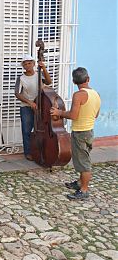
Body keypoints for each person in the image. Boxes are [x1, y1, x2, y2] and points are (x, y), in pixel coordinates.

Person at [50, 67, 101, 200]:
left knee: (83, 163)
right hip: (89, 130)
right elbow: (96, 115)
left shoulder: (78, 95)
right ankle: (79, 183)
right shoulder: (96, 94)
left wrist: (59, 113)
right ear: (88, 79)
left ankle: (84, 190)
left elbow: (73, 115)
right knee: (83, 158)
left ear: (74, 81)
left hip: (80, 132)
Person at [14, 51, 52, 160]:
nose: (27, 66)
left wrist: (44, 68)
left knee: (41, 128)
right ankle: (28, 152)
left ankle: (41, 150)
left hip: (41, 105)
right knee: (27, 130)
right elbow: (17, 93)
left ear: (34, 63)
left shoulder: (39, 74)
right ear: (23, 66)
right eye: (25, 64)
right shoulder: (21, 78)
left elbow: (48, 82)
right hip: (26, 106)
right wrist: (29, 102)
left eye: (29, 63)